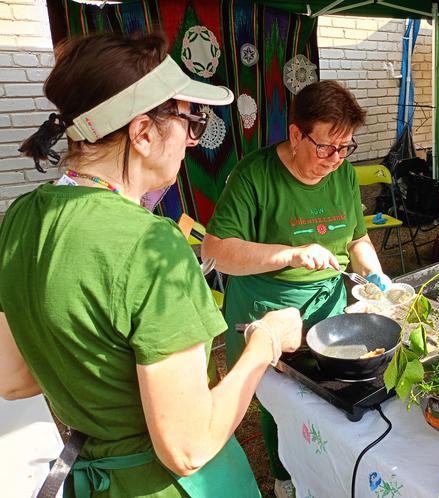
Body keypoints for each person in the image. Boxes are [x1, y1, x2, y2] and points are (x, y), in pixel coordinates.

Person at [0, 32, 302, 498]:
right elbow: (188, 448)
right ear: (142, 133)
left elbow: (14, 379)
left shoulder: (19, 219)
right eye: (191, 121)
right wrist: (265, 343)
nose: (192, 140)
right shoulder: (150, 244)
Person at [201, 80, 390, 498]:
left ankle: (324, 465)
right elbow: (216, 252)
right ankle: (284, 474)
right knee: (279, 400)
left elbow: (356, 239)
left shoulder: (339, 174)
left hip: (329, 302)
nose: (336, 159)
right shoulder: (254, 174)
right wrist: (289, 254)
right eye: (326, 147)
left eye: (346, 148)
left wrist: (376, 276)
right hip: (268, 304)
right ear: (295, 134)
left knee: (328, 390)